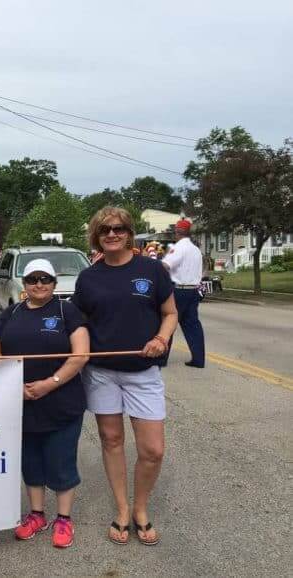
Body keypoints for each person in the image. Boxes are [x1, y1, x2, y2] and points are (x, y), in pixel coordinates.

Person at [72, 207, 177, 547]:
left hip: (143, 373)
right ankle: (121, 508)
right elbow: (78, 324)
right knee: (112, 440)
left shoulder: (152, 269)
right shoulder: (89, 277)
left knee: (153, 450)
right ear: (96, 236)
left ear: (129, 232)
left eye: (118, 228)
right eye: (104, 230)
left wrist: (161, 339)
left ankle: (141, 508)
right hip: (102, 374)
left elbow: (170, 312)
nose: (112, 234)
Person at [0, 259, 90, 548]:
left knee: (60, 461)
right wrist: (13, 386)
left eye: (45, 278)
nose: (39, 284)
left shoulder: (66, 311)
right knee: (30, 462)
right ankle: (36, 514)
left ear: (54, 282)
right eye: (33, 279)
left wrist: (50, 383)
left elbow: (81, 354)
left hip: (61, 402)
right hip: (21, 402)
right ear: (25, 282)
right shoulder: (11, 313)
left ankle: (63, 518)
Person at [162, 219, 206, 368]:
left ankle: (161, 359)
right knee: (192, 324)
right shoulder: (196, 250)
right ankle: (198, 359)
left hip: (178, 290)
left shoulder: (179, 248)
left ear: (178, 232)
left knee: (168, 322)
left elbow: (165, 265)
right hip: (193, 290)